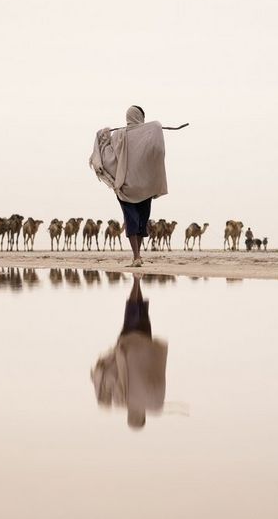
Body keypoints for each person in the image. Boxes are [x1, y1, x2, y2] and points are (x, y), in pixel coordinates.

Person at [93, 106, 168, 267]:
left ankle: (136, 256)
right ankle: (138, 255)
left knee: (132, 220)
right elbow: (158, 148)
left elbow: (107, 155)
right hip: (145, 187)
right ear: (141, 117)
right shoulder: (151, 130)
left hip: (126, 187)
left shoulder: (118, 135)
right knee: (142, 220)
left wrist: (102, 135)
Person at [90, 274, 168, 429]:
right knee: (133, 308)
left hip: (146, 345)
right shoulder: (121, 400)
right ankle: (137, 281)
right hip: (129, 346)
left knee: (141, 312)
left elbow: (159, 376)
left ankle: (137, 282)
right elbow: (111, 377)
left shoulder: (156, 403)